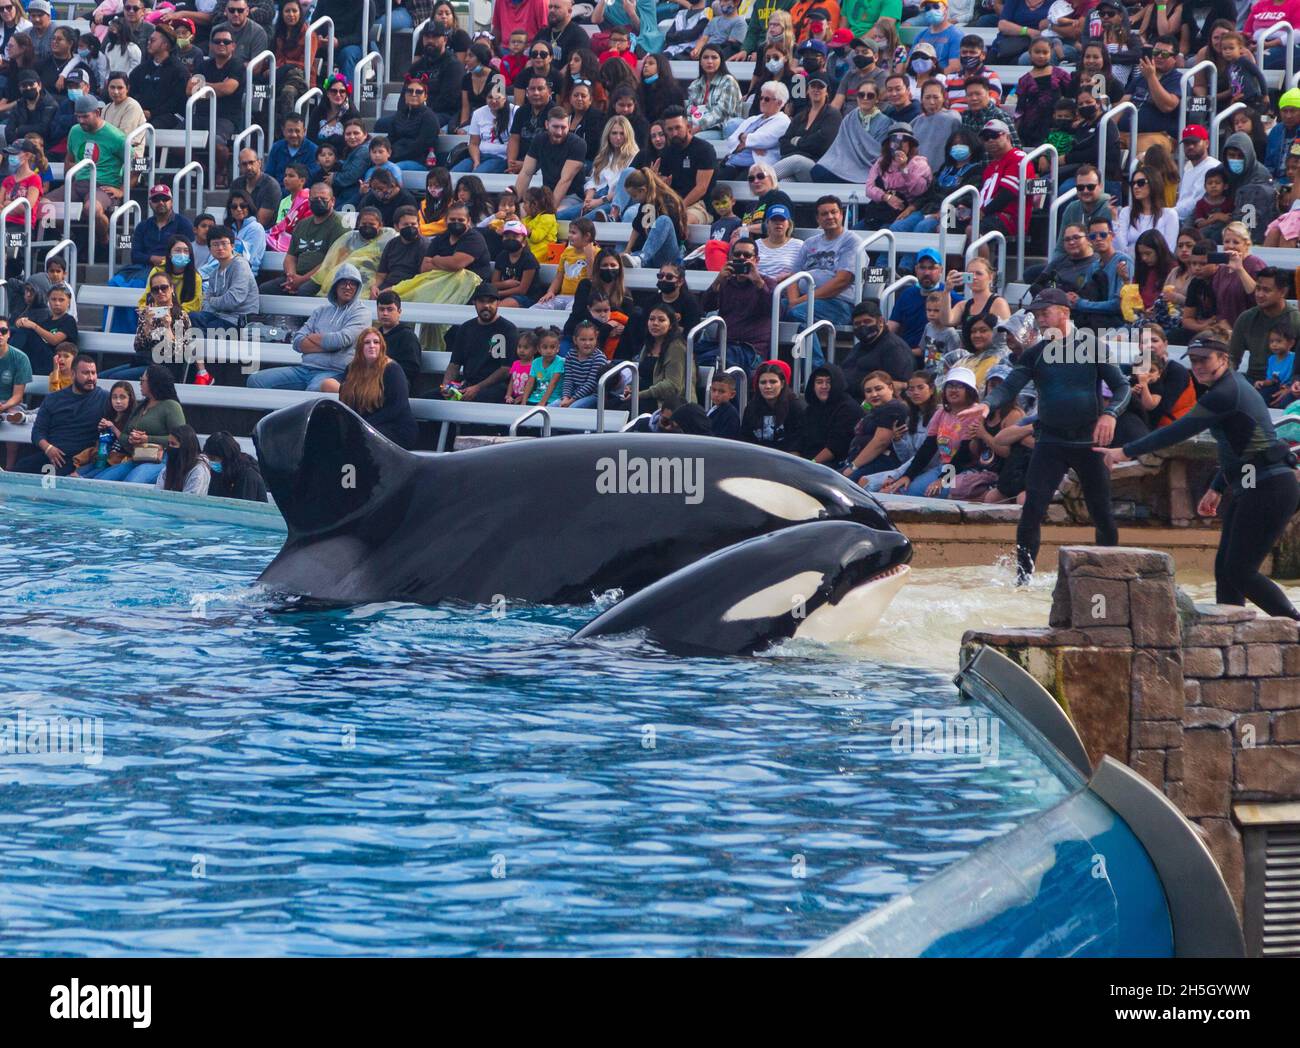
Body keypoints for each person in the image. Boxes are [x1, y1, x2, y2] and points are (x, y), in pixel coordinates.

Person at [1097, 337, 1299, 619]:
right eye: (1194, 360)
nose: (1199, 365)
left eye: (1206, 359)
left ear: (1223, 359)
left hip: (1270, 486)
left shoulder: (1226, 392)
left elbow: (1179, 430)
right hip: (1254, 483)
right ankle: (1232, 631)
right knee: (1225, 569)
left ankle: (1295, 626)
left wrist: (1126, 451)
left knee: (1240, 571)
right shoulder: (1224, 389)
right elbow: (1238, 448)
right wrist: (1217, 487)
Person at [965, 288, 1129, 582]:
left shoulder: (1092, 346)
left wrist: (1110, 414)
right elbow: (1008, 388)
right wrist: (986, 405)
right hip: (1050, 442)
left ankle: (1111, 576)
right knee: (1032, 510)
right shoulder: (1035, 353)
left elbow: (1122, 387)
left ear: (1064, 313)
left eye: (1045, 313)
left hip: (1087, 442)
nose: (1040, 319)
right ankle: (1022, 580)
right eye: (1037, 315)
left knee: (1101, 510)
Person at [247, 264, 367, 390]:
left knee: (313, 391)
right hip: (304, 369)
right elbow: (297, 341)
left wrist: (312, 338)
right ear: (336, 285)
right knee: (256, 380)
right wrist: (331, 346)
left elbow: (341, 340)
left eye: (352, 283)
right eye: (343, 282)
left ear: (358, 287)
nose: (347, 287)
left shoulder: (361, 313)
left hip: (334, 373)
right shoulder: (321, 311)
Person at [784, 196, 859, 368]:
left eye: (834, 212)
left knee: (800, 313)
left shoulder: (851, 241)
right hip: (806, 300)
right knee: (773, 307)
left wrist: (798, 302)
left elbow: (842, 281)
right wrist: (793, 300)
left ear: (841, 215)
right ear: (818, 219)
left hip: (839, 304)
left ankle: (817, 371)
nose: (830, 217)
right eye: (824, 214)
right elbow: (793, 277)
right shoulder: (810, 243)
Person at [319, 327, 418, 450]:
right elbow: (346, 403)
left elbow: (396, 407)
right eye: (367, 342)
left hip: (395, 427)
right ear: (360, 347)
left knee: (357, 438)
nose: (372, 346)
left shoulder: (392, 369)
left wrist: (363, 425)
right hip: (364, 425)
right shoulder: (351, 369)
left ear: (382, 346)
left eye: (376, 342)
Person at [93, 364, 188, 485]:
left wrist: (147, 439)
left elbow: (181, 439)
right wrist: (131, 439)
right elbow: (124, 438)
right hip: (137, 457)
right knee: (100, 481)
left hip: (163, 460)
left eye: (142, 380)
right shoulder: (141, 407)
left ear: (154, 383)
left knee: (131, 483)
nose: (140, 383)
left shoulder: (171, 406)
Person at [16, 352, 109, 476]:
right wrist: (48, 448)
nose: (91, 378)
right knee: (20, 469)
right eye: (86, 373)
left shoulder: (104, 398)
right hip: (52, 455)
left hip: (80, 460)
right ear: (73, 374)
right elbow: (37, 432)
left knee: (51, 480)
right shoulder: (54, 399)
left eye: (93, 373)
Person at [699, 239, 773, 374]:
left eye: (747, 255)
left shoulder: (767, 283)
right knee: (687, 351)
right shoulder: (726, 282)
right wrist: (718, 281)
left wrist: (758, 282)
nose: (741, 258)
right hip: (724, 345)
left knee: (721, 361)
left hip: (750, 350)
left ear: (756, 260)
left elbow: (774, 311)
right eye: (737, 255)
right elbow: (706, 306)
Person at [64, 93, 125, 243]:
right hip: (79, 183)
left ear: (97, 113)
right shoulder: (75, 130)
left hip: (103, 185)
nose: (81, 121)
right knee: (46, 206)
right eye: (78, 117)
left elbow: (136, 165)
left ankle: (105, 239)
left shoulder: (115, 136)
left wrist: (122, 190)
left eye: (85, 117)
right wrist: (69, 181)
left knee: (92, 209)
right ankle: (70, 238)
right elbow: (69, 158)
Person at [442, 284, 517, 404]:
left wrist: (477, 388)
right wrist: (446, 386)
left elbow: (505, 370)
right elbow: (454, 364)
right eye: (482, 301)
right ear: (474, 303)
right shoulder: (465, 328)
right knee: (428, 398)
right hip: (467, 384)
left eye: (491, 301)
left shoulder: (508, 329)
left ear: (498, 303)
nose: (486, 305)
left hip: (497, 387)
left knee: (477, 399)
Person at [1228, 267, 1300, 385]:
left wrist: (1289, 388)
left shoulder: (1296, 320)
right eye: (1258, 289)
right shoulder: (1246, 318)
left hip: (1283, 383)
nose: (1259, 294)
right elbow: (1233, 358)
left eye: (1266, 290)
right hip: (1251, 380)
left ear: (1283, 292)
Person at [811, 76, 890, 183]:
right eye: (861, 95)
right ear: (857, 97)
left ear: (877, 99)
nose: (865, 98)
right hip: (845, 164)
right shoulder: (850, 117)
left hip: (868, 167)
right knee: (818, 171)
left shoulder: (885, 122)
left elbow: (878, 153)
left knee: (878, 179)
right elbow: (840, 146)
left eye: (870, 96)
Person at [189, 225, 256, 331]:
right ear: (210, 249)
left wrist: (212, 301)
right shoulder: (214, 273)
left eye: (224, 243)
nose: (220, 248)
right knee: (192, 318)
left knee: (207, 330)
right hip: (219, 316)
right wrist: (211, 302)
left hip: (239, 320)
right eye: (215, 244)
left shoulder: (240, 265)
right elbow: (205, 303)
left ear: (232, 245)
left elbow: (233, 300)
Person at [842, 299, 914, 394]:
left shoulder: (894, 348)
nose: (862, 326)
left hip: (870, 404)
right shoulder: (859, 346)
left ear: (881, 321)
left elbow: (897, 388)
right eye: (857, 324)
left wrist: (865, 406)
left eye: (867, 321)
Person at [798, 363, 863, 465]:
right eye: (819, 382)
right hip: (807, 462)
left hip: (834, 465)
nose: (824, 386)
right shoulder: (811, 409)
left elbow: (835, 447)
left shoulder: (848, 408)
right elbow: (799, 439)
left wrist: (810, 465)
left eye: (829, 382)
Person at [719, 80, 790, 172]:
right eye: (761, 98)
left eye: (767, 99)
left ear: (779, 103)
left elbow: (764, 140)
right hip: (734, 162)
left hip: (757, 167)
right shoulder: (753, 119)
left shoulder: (783, 121)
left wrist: (744, 140)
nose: (762, 101)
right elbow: (731, 140)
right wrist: (752, 145)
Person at [1114, 165, 1178, 256]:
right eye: (1133, 183)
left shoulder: (1170, 215)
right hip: (1130, 264)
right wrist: (1114, 221)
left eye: (1141, 182)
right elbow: (1119, 250)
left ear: (1153, 183)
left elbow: (1169, 250)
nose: (1135, 187)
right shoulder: (1126, 212)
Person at [743, 359, 804, 452]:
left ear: (782, 384)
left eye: (773, 382)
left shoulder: (794, 407)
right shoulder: (751, 407)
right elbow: (745, 439)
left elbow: (798, 444)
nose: (768, 386)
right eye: (763, 382)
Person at [202, 430, 267, 501]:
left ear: (225, 457)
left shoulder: (247, 475)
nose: (210, 462)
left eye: (213, 458)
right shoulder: (222, 472)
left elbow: (243, 506)